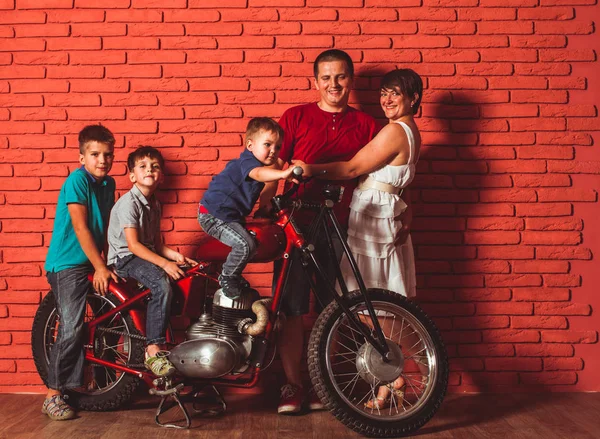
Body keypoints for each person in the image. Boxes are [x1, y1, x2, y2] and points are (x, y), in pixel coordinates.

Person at [257, 49, 380, 414]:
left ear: (351, 80)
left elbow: (369, 173)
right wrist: (264, 203)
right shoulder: (296, 116)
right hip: (295, 222)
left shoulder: (367, 125)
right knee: (291, 308)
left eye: (340, 77)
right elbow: (276, 165)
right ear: (315, 81)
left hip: (339, 226)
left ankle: (326, 384)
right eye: (326, 77)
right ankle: (293, 387)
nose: (333, 84)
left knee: (334, 308)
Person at [294, 68, 423, 410]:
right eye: (384, 93)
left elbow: (352, 169)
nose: (388, 99)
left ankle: (409, 366)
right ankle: (389, 384)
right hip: (377, 217)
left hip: (373, 223)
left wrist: (312, 168)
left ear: (414, 99)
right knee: (376, 302)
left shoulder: (396, 130)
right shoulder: (409, 131)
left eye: (396, 93)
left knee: (364, 301)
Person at [43, 124, 119, 421]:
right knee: (73, 326)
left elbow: (108, 226)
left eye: (108, 154)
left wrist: (109, 262)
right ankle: (52, 395)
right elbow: (80, 226)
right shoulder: (77, 181)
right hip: (68, 264)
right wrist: (99, 265)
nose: (102, 160)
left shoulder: (108, 184)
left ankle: (99, 382)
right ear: (81, 157)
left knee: (105, 321)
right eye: (95, 154)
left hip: (93, 261)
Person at [107, 146, 197, 377]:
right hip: (125, 258)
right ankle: (153, 348)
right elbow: (134, 245)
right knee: (161, 283)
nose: (150, 170)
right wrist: (165, 265)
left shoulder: (154, 204)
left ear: (161, 176)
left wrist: (176, 257)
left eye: (155, 167)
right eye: (143, 166)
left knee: (189, 277)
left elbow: (156, 245)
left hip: (142, 255)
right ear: (132, 175)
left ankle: (178, 346)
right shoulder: (130, 203)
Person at [198, 117, 297, 299]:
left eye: (277, 147)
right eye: (267, 144)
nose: (273, 151)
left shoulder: (258, 165)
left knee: (254, 241)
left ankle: (234, 275)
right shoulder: (248, 163)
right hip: (214, 215)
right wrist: (283, 173)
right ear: (250, 145)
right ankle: (228, 277)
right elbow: (259, 174)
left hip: (230, 217)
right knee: (245, 245)